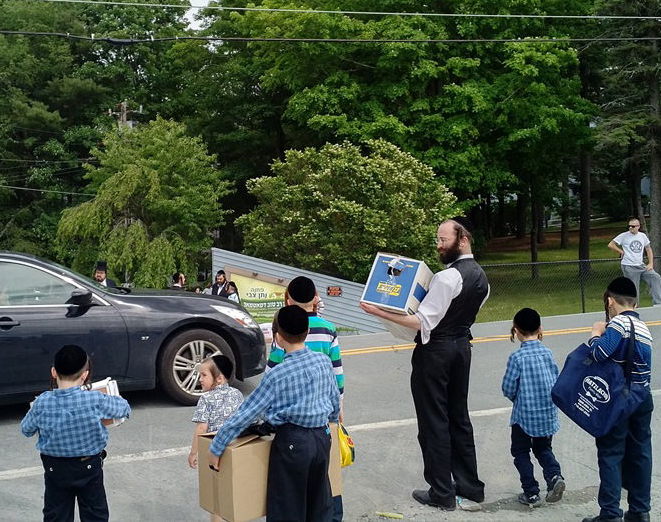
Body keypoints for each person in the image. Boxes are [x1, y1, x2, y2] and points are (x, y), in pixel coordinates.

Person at [359, 216, 489, 512]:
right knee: (459, 417)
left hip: (436, 351)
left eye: (444, 240)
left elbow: (422, 321)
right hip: (461, 348)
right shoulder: (482, 277)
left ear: (463, 239)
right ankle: (470, 487)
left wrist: (379, 312)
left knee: (433, 421)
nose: (439, 245)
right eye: (438, 240)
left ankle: (441, 492)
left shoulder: (447, 277)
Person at [208, 306, 340, 522]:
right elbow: (334, 402)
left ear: (277, 337)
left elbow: (246, 413)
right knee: (319, 502)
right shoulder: (323, 361)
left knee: (288, 505)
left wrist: (217, 446)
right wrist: (332, 423)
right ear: (307, 332)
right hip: (322, 438)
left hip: (293, 443)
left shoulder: (278, 374)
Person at [21, 345, 132, 522]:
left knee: (56, 515)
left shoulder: (42, 402)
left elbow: (26, 429)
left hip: (54, 468)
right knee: (95, 514)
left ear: (53, 372)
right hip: (89, 466)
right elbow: (124, 409)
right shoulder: (95, 399)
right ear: (85, 374)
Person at [269, 276, 346, 522]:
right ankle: (332, 515)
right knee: (326, 470)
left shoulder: (284, 329)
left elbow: (272, 373)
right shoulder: (328, 328)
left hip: (293, 417)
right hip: (323, 410)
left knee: (294, 478)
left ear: (288, 299)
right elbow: (337, 371)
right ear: (315, 298)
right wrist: (339, 405)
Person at [582, 277, 654, 522]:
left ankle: (610, 513)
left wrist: (595, 333)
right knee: (640, 453)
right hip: (643, 397)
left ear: (611, 301)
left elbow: (598, 353)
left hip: (619, 400)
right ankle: (639, 511)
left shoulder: (619, 324)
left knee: (611, 452)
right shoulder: (644, 327)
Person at [501, 308, 564, 508]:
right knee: (543, 448)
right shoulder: (548, 353)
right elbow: (555, 380)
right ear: (540, 329)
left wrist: (517, 399)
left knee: (520, 451)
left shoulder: (517, 358)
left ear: (516, 331)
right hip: (546, 413)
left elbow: (508, 387)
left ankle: (531, 493)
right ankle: (554, 476)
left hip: (524, 416)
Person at [188, 355, 243, 522]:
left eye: (204, 375)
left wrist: (193, 452)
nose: (200, 379)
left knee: (215, 497)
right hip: (235, 448)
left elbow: (202, 427)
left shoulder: (205, 398)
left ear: (219, 379)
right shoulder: (237, 394)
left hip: (214, 451)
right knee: (233, 491)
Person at [607, 219, 661, 306]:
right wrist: (621, 251)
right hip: (629, 266)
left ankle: (658, 302)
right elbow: (611, 244)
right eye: (629, 226)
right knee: (634, 287)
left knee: (655, 277)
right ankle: (634, 305)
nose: (630, 228)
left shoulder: (642, 236)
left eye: (633, 226)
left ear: (638, 227)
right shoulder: (624, 236)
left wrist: (651, 263)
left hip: (641, 265)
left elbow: (648, 249)